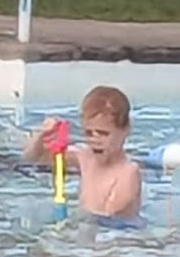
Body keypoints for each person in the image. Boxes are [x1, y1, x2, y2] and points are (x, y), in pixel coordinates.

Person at [21, 85, 142, 221]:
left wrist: (74, 225)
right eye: (88, 133)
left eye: (103, 133)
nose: (95, 140)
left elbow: (109, 216)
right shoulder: (85, 157)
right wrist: (41, 134)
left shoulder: (128, 173)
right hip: (89, 224)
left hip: (120, 231)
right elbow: (34, 157)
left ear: (126, 130)